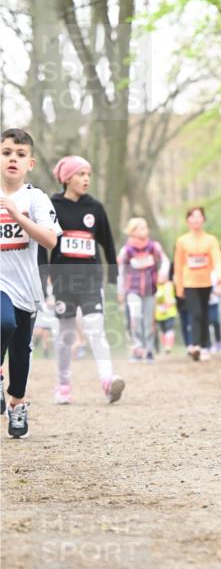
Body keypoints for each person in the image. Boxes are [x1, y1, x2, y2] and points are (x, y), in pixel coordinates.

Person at [42, 155, 125, 406]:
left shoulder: (95, 208)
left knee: (96, 329)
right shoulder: (52, 205)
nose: (86, 178)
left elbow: (107, 243)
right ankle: (64, 385)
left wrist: (113, 278)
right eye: (80, 174)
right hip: (63, 282)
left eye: (88, 174)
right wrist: (43, 278)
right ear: (67, 178)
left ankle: (108, 380)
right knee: (66, 335)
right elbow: (42, 243)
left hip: (90, 280)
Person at [0, 128, 61, 437]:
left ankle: (17, 403)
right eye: (7, 152)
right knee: (3, 322)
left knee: (21, 355)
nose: (13, 159)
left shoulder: (35, 198)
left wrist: (17, 216)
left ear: (30, 163)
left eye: (20, 155)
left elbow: (50, 239)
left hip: (26, 288)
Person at [173, 206, 221, 362]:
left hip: (206, 282)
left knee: (205, 314)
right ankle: (195, 345)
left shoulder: (211, 240)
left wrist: (220, 277)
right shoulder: (182, 241)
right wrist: (179, 285)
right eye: (192, 217)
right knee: (195, 313)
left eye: (199, 216)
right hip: (189, 282)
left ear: (203, 219)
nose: (196, 220)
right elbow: (178, 264)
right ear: (188, 220)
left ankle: (205, 346)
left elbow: (217, 259)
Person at [117, 217, 169, 363]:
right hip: (132, 290)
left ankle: (150, 349)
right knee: (135, 318)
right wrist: (120, 292)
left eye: (146, 227)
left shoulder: (153, 246)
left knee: (149, 321)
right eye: (142, 227)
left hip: (150, 289)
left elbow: (165, 260)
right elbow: (120, 271)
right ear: (132, 231)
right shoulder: (126, 250)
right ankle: (137, 349)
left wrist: (163, 273)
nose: (146, 230)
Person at [155, 273, 178, 354]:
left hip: (170, 312)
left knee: (169, 328)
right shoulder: (155, 287)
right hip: (159, 314)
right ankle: (165, 346)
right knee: (163, 330)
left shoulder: (170, 285)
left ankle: (169, 346)